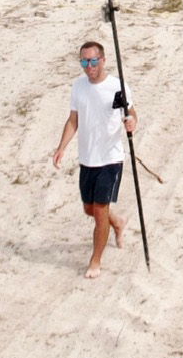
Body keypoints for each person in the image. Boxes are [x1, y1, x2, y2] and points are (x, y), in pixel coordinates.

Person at [51, 39, 136, 279]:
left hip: (110, 158)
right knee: (90, 209)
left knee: (99, 211)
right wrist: (61, 147)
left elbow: (131, 113)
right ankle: (117, 223)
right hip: (87, 159)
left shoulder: (118, 87)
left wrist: (132, 122)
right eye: (84, 62)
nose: (89, 66)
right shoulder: (78, 87)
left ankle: (95, 261)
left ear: (103, 60)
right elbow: (73, 120)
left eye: (93, 61)